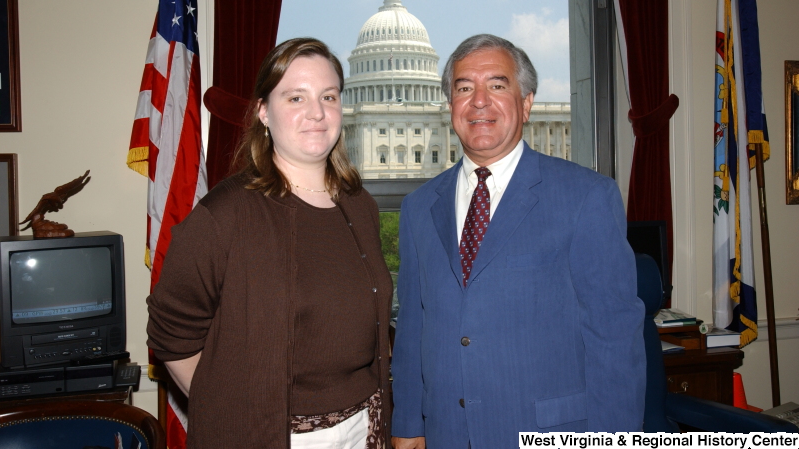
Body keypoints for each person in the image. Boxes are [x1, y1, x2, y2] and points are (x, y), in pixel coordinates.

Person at [390, 34, 646, 448]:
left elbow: (614, 341)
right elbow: (414, 329)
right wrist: (407, 423)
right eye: (464, 88)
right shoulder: (419, 207)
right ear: (450, 106)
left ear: (526, 103)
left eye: (497, 85)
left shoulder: (586, 197)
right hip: (445, 434)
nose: (479, 101)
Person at [147, 38, 393, 449]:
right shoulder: (225, 214)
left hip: (363, 429)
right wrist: (233, 407)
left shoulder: (360, 205)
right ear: (263, 111)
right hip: (271, 437)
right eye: (295, 97)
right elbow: (172, 334)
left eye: (328, 96)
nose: (316, 112)